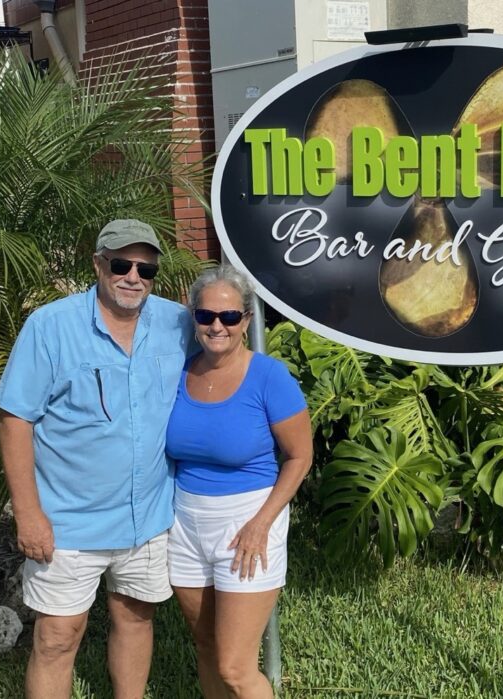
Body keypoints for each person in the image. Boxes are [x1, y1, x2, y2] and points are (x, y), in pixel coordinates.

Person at [0, 219, 192, 699]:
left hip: (146, 518)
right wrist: (28, 513)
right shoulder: (51, 325)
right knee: (58, 638)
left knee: (134, 619)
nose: (133, 278)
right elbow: (14, 419)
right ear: (98, 264)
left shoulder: (177, 323)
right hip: (67, 523)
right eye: (121, 264)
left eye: (146, 270)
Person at [166, 265, 313, 699]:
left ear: (246, 321)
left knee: (234, 665)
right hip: (185, 526)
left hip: (247, 524)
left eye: (229, 317)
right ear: (193, 317)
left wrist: (261, 523)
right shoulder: (179, 373)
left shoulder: (269, 378)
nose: (217, 326)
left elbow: (300, 456)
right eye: (207, 315)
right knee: (207, 646)